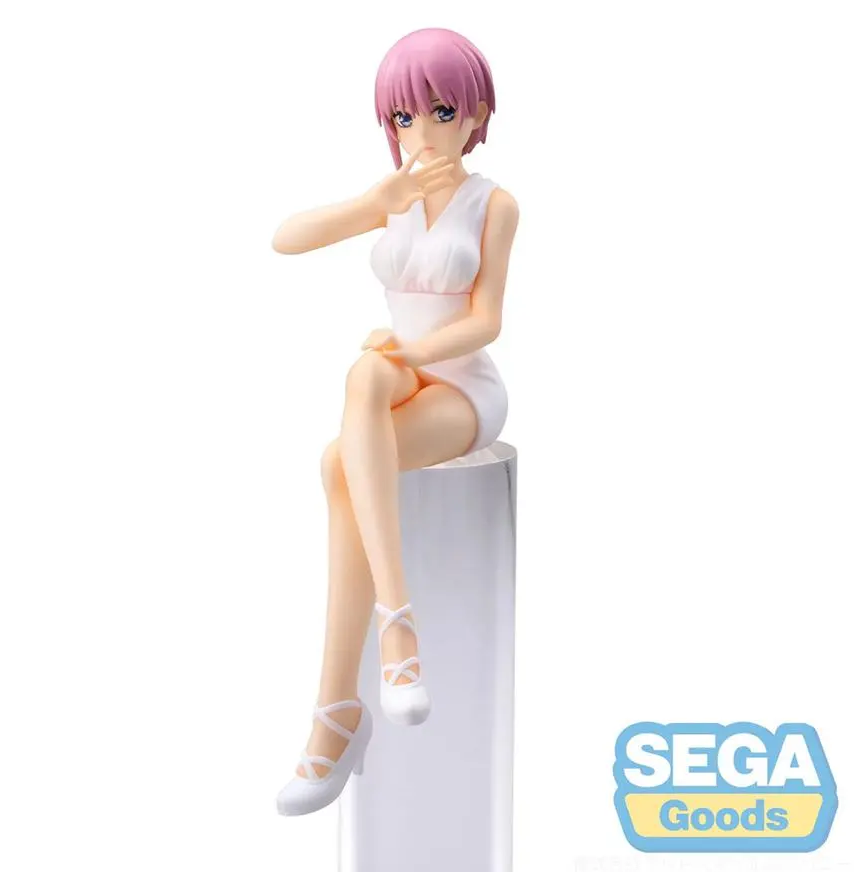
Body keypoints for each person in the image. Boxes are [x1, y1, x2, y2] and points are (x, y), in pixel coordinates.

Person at [272, 27, 519, 816]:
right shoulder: (395, 201)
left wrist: (413, 350)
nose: (423, 132)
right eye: (405, 117)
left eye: (442, 112)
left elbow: (485, 320)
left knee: (341, 455)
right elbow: (285, 239)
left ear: (476, 114)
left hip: (461, 388)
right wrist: (374, 205)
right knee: (360, 387)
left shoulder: (494, 204)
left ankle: (341, 707)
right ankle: (391, 640)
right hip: (400, 382)